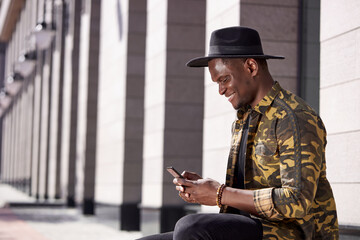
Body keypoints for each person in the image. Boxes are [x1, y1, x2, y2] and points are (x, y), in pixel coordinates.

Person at [138, 26, 339, 240]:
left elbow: (296, 201)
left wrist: (219, 193)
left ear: (251, 67)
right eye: (217, 83)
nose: (220, 90)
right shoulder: (244, 119)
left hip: (291, 234)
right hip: (251, 228)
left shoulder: (293, 117)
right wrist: (206, 190)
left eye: (224, 79)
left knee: (190, 227)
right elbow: (241, 195)